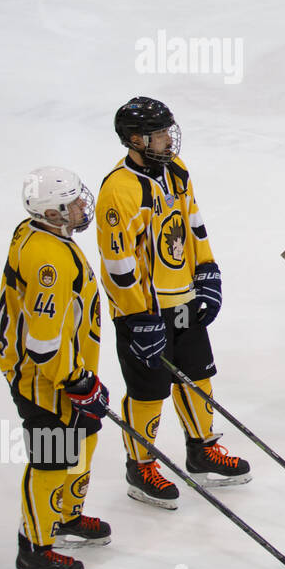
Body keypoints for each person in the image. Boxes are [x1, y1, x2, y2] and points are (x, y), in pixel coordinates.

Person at [98, 98, 250, 507]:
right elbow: (118, 264)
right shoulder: (119, 190)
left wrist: (207, 272)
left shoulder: (177, 172)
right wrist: (137, 317)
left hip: (182, 299)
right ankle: (140, 465)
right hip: (144, 311)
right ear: (135, 140)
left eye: (168, 130)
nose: (169, 138)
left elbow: (194, 225)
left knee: (198, 375)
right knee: (148, 391)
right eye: (160, 133)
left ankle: (201, 450)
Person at [0, 167, 108, 569]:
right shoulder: (49, 260)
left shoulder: (41, 233)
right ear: (55, 212)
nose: (85, 206)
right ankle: (34, 551)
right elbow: (43, 346)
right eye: (76, 203)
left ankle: (63, 517)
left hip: (63, 373)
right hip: (44, 380)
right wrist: (77, 382)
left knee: (86, 435)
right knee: (51, 455)